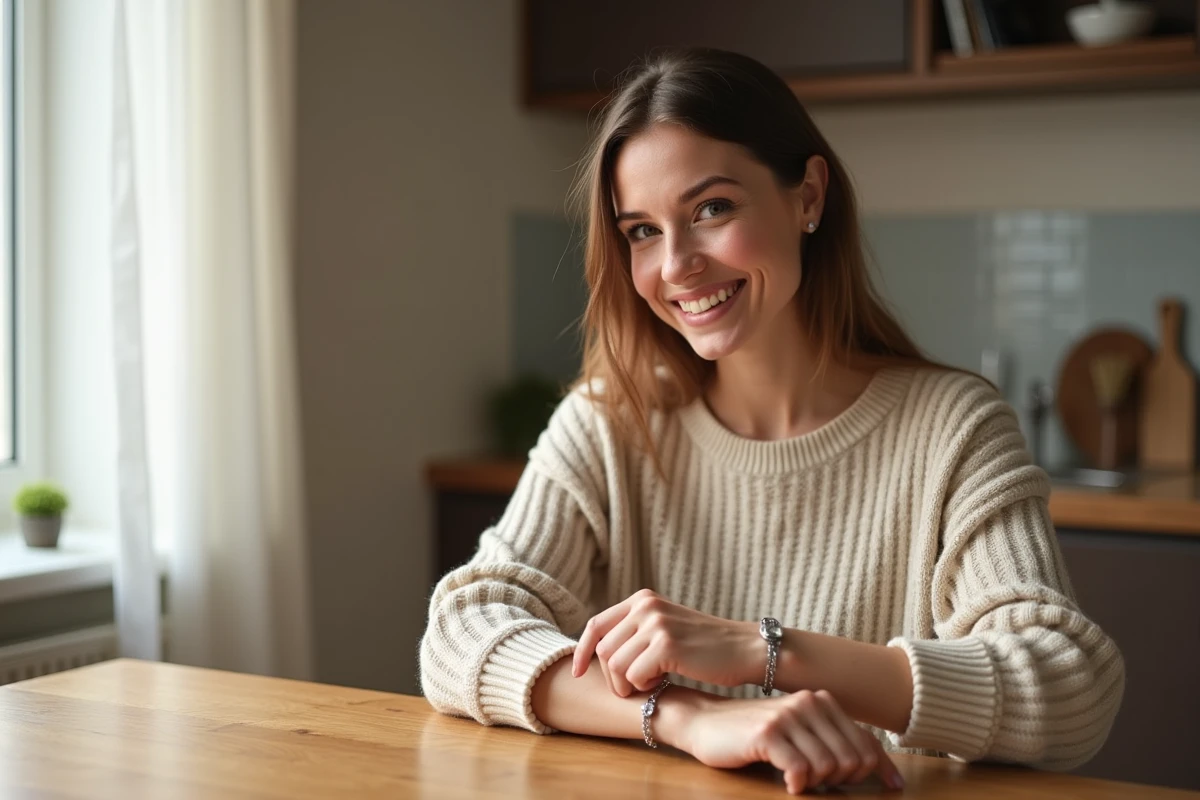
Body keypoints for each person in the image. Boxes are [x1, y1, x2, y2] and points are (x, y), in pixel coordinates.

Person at [419, 47, 1124, 795]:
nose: (677, 265)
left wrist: (763, 651)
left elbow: (1070, 688)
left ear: (808, 196)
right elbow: (459, 633)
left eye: (712, 209)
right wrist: (688, 717)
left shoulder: (955, 429)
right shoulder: (609, 421)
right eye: (643, 231)